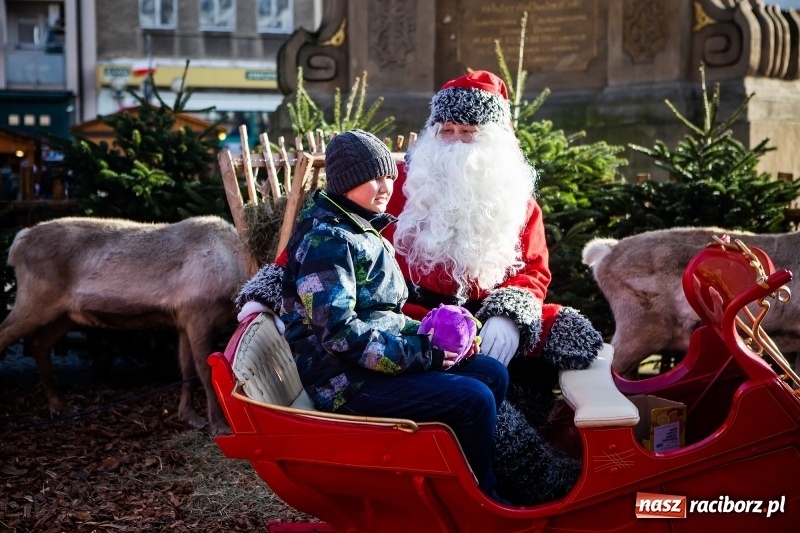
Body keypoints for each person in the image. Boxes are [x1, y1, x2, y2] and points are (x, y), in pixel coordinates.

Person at [277, 129, 510, 501]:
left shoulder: (360, 227)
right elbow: (338, 333)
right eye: (373, 177)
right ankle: (481, 502)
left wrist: (430, 335)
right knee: (473, 398)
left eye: (389, 174)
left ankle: (468, 475)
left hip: (371, 365)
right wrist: (423, 353)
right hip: (344, 382)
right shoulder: (326, 241)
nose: (386, 185)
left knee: (490, 372)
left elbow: (382, 314)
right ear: (345, 182)